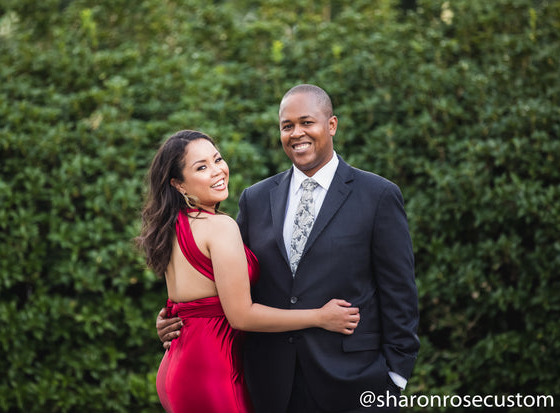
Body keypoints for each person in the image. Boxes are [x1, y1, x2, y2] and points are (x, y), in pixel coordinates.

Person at [157, 85, 420, 412]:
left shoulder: (378, 195)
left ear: (332, 125)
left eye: (307, 122)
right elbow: (226, 281)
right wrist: (176, 315)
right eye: (287, 126)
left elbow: (399, 292)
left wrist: (396, 376)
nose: (297, 133)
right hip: (270, 383)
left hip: (355, 382)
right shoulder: (255, 198)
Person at [136, 129, 360, 413]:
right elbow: (241, 315)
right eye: (202, 167)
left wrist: (165, 319)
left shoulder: (172, 226)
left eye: (217, 159)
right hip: (212, 369)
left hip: (176, 366)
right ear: (178, 184)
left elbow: (191, 301)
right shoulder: (220, 226)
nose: (218, 171)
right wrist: (320, 317)